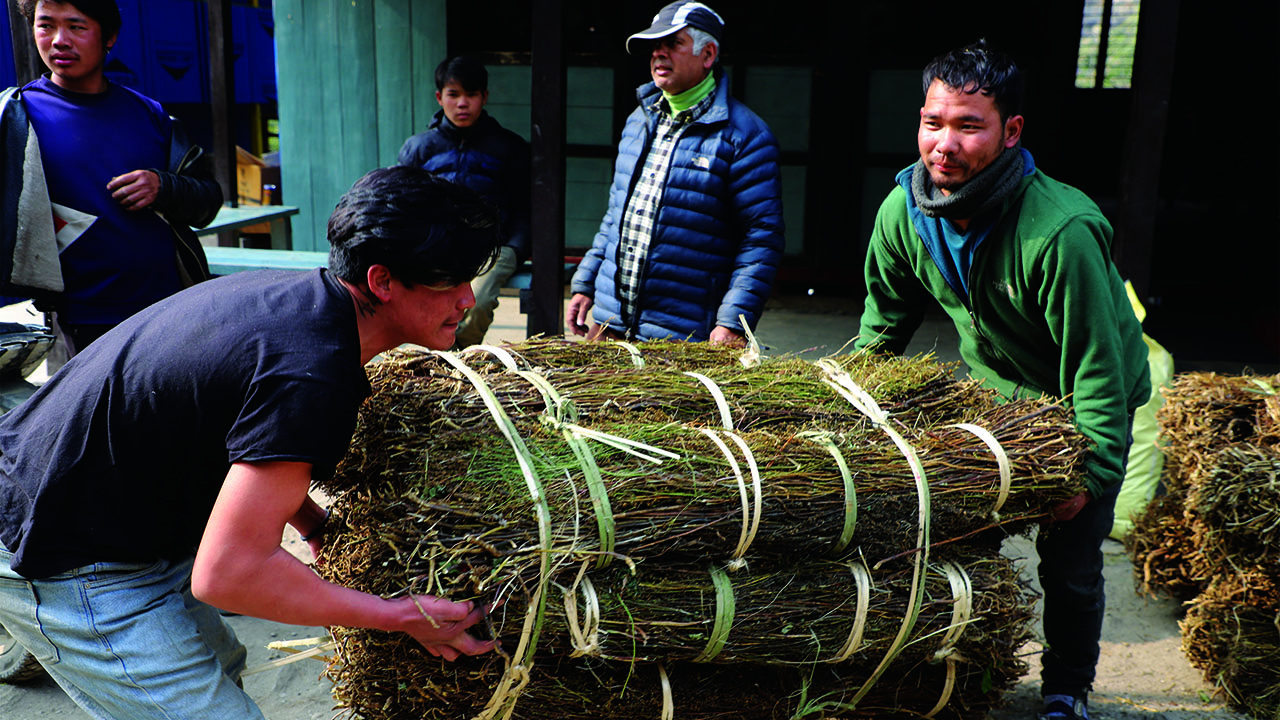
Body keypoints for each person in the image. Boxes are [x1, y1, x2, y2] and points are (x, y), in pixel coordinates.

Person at [0, 166, 502, 719]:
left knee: (221, 666)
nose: (465, 299)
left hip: (111, 509)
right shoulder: (311, 374)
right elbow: (228, 575)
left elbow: (243, 438)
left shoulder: (304, 302)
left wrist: (309, 522)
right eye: (447, 280)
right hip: (56, 545)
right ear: (382, 281)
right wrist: (399, 614)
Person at [852, 41, 1149, 720]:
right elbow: (880, 331)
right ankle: (952, 674)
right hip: (994, 395)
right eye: (934, 123)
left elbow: (1098, 368)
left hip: (1082, 401)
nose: (945, 144)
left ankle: (1066, 690)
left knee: (1069, 566)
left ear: (1011, 131)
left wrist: (1088, 472)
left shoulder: (1062, 231)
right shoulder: (904, 212)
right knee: (948, 534)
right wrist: (853, 414)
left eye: (968, 126)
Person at [1, 0, 221, 358]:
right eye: (46, 26)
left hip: (172, 303)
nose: (59, 40)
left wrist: (163, 186)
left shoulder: (150, 114)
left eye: (76, 26)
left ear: (110, 37)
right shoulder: (16, 120)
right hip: (83, 318)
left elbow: (208, 201)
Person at [567, 1, 784, 347]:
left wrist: (733, 322)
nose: (659, 54)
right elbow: (616, 215)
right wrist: (586, 282)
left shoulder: (745, 137)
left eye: (673, 44)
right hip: (610, 325)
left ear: (708, 54)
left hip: (682, 337)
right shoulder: (639, 120)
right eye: (655, 46)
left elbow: (761, 238)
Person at [398, 56, 530, 349]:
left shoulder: (510, 148)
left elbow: (524, 207)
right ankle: (438, 359)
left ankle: (459, 358)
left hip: (493, 247)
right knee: (418, 300)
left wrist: (515, 250)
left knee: (476, 302)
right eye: (453, 94)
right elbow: (403, 205)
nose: (462, 103)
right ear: (439, 97)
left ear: (484, 96)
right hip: (436, 246)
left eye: (471, 94)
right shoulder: (419, 149)